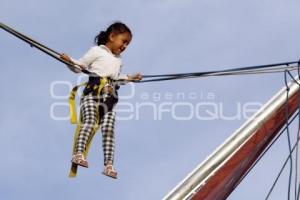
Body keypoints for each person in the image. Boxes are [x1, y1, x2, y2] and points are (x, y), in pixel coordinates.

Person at [60, 22, 142, 179]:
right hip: (92, 95)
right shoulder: (96, 51)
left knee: (109, 130)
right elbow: (80, 66)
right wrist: (68, 60)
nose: (125, 46)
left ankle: (109, 165)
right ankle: (78, 153)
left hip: (109, 100)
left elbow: (117, 79)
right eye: (123, 41)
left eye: (127, 44)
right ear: (112, 37)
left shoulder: (119, 61)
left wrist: (131, 78)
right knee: (90, 121)